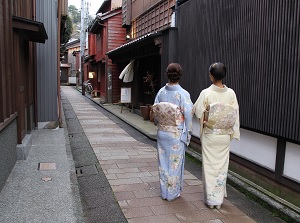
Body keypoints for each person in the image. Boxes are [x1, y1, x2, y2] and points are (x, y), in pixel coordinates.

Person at [193, 62, 240, 209]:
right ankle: (218, 201)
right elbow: (235, 115)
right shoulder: (231, 93)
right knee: (221, 166)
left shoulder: (206, 93)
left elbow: (198, 112)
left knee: (209, 166)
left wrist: (207, 118)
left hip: (210, 134)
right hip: (224, 136)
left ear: (211, 76)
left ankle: (211, 200)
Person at [152, 63, 194, 201]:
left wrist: (161, 124)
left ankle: (165, 192)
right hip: (176, 134)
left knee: (163, 163)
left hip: (163, 132)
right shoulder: (183, 94)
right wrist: (188, 134)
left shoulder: (161, 92)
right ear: (180, 75)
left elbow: (156, 112)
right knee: (175, 164)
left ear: (167, 75)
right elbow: (188, 116)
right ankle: (172, 193)